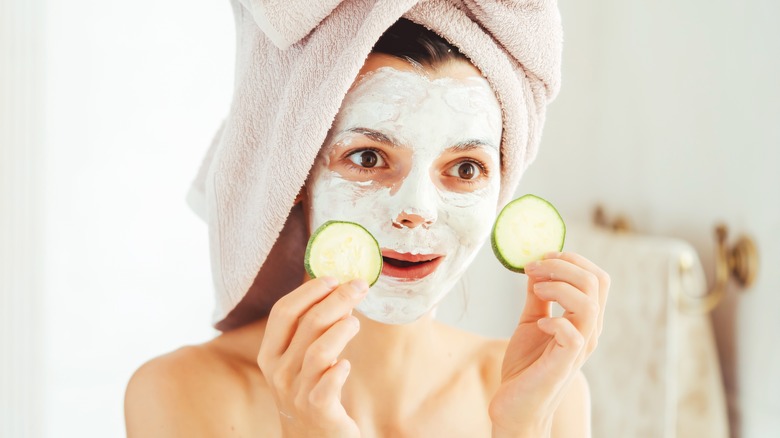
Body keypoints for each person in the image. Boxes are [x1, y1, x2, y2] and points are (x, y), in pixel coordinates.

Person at [125, 5, 609, 438]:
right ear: (295, 182)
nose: (418, 208)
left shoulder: (547, 388)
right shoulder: (182, 394)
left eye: (465, 169)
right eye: (369, 157)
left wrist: (522, 428)